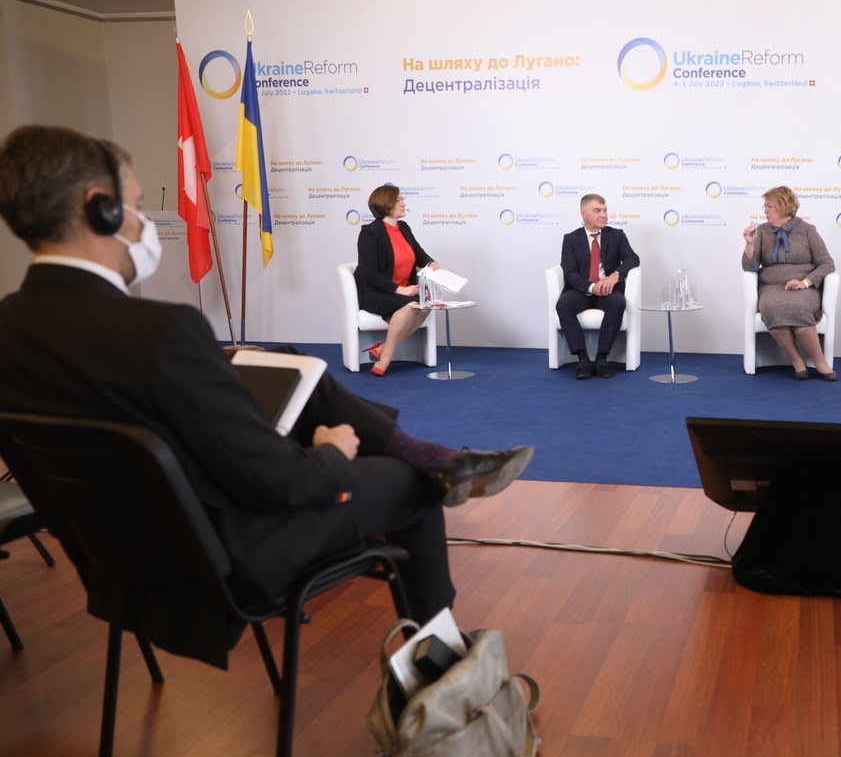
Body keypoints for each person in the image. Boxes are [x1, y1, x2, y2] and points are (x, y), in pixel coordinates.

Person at [0, 125, 533, 653]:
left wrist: (216, 364)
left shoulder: (10, 330)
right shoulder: (163, 332)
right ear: (101, 209)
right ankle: (442, 661)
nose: (144, 221)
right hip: (228, 556)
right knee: (407, 485)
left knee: (283, 361)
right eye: (138, 206)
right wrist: (330, 454)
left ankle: (430, 456)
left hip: (121, 560)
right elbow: (278, 482)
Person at [740, 186, 837, 381]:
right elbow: (750, 268)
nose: (765, 210)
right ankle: (797, 361)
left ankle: (820, 362)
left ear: (784, 206)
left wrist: (805, 282)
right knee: (771, 306)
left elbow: (827, 263)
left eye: (769, 206)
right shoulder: (761, 231)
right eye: (764, 206)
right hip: (771, 286)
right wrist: (750, 243)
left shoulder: (807, 230)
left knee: (798, 306)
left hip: (803, 286)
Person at [354, 185, 438, 376]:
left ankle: (382, 348)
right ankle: (386, 356)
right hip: (376, 292)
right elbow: (369, 274)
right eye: (399, 200)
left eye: (402, 200)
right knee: (411, 306)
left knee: (425, 306)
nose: (404, 204)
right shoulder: (370, 233)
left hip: (403, 291)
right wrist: (400, 289)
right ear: (386, 204)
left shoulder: (404, 228)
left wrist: (432, 264)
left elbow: (419, 254)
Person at [556, 194, 639, 379]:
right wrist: (591, 287)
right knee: (563, 305)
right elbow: (569, 272)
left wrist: (615, 275)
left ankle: (602, 358)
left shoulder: (616, 235)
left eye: (605, 210)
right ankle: (583, 360)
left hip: (608, 291)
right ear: (584, 214)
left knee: (618, 303)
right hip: (582, 290)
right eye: (597, 211)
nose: (603, 215)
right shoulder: (571, 239)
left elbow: (633, 258)